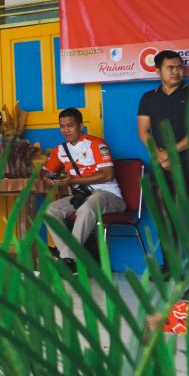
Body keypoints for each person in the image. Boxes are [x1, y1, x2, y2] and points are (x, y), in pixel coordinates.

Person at [41, 108, 126, 273]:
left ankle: (68, 258)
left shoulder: (96, 144)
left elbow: (108, 174)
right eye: (62, 126)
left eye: (70, 126)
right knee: (50, 211)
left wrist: (73, 180)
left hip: (108, 195)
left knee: (86, 209)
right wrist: (48, 177)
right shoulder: (60, 150)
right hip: (83, 196)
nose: (66, 130)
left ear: (80, 126)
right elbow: (44, 170)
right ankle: (69, 259)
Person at [138, 49, 189, 192]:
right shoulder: (149, 97)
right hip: (160, 165)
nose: (176, 72)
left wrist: (169, 153)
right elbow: (143, 131)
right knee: (161, 205)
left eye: (179, 67)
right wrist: (159, 157)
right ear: (158, 71)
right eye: (170, 68)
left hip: (188, 164)